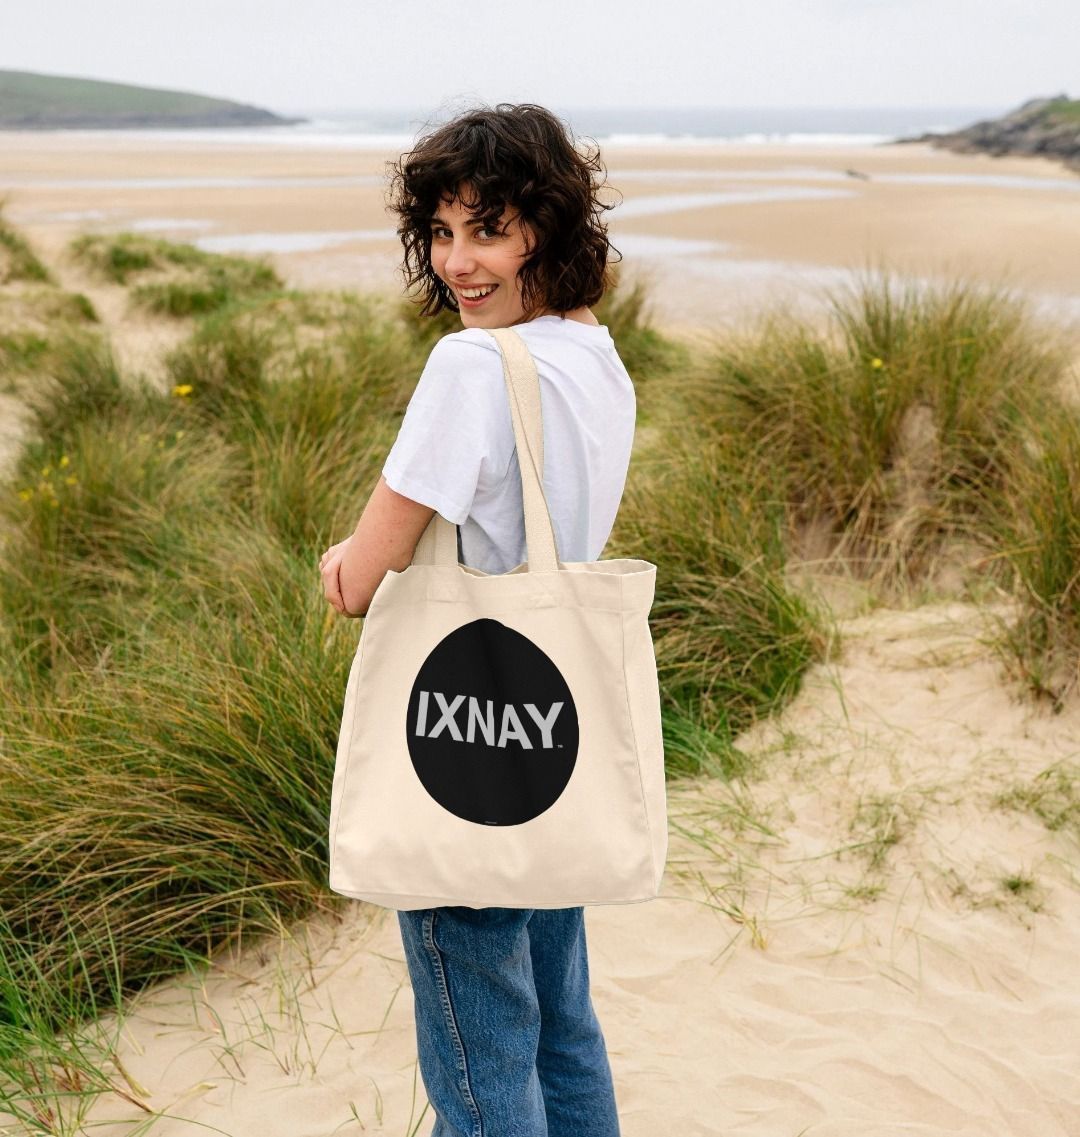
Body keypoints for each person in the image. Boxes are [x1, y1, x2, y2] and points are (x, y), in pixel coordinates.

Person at [318, 102, 634, 1137]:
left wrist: (339, 561)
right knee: (561, 1025)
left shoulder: (471, 368)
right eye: (443, 232)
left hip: (467, 738)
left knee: (482, 1053)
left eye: (488, 229)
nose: (459, 262)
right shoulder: (591, 352)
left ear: (547, 228)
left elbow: (365, 574)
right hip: (557, 734)